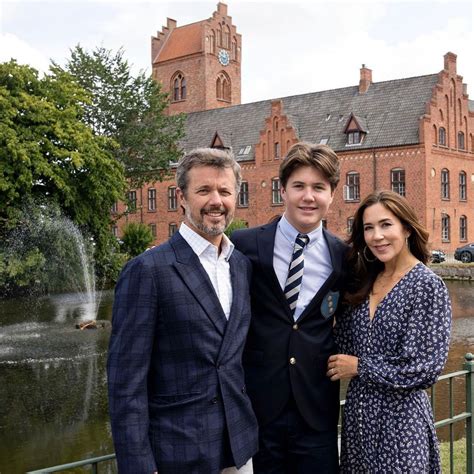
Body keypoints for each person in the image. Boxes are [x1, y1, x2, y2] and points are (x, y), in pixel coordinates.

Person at [107, 148, 258, 474]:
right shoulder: (147, 270)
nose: (216, 201)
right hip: (177, 452)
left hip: (238, 448)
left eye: (225, 191)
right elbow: (126, 386)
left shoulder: (241, 266)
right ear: (183, 197)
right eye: (204, 190)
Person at [232, 142, 348, 474]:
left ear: (332, 194)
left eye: (318, 188)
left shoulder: (343, 256)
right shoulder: (244, 245)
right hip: (258, 408)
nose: (308, 197)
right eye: (298, 186)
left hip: (316, 410)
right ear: (283, 190)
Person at [327, 190, 452, 473]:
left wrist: (360, 367)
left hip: (401, 424)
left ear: (406, 228)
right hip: (360, 422)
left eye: (386, 225)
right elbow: (343, 343)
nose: (376, 236)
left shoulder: (426, 286)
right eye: (368, 228)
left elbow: (425, 368)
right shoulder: (364, 281)